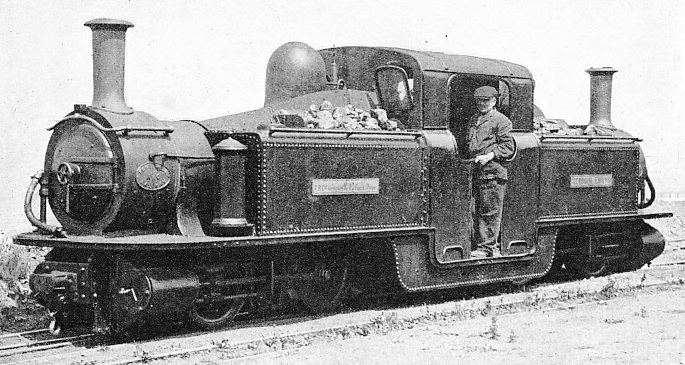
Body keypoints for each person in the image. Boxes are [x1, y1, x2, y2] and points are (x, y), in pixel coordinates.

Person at [467, 86, 515, 259]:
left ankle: (487, 248)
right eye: (479, 100)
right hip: (476, 170)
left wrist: (490, 155)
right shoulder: (474, 119)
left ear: (494, 101)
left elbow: (508, 147)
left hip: (492, 172)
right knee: (474, 210)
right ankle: (478, 245)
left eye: (485, 100)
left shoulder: (501, 121)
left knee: (489, 211)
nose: (481, 103)